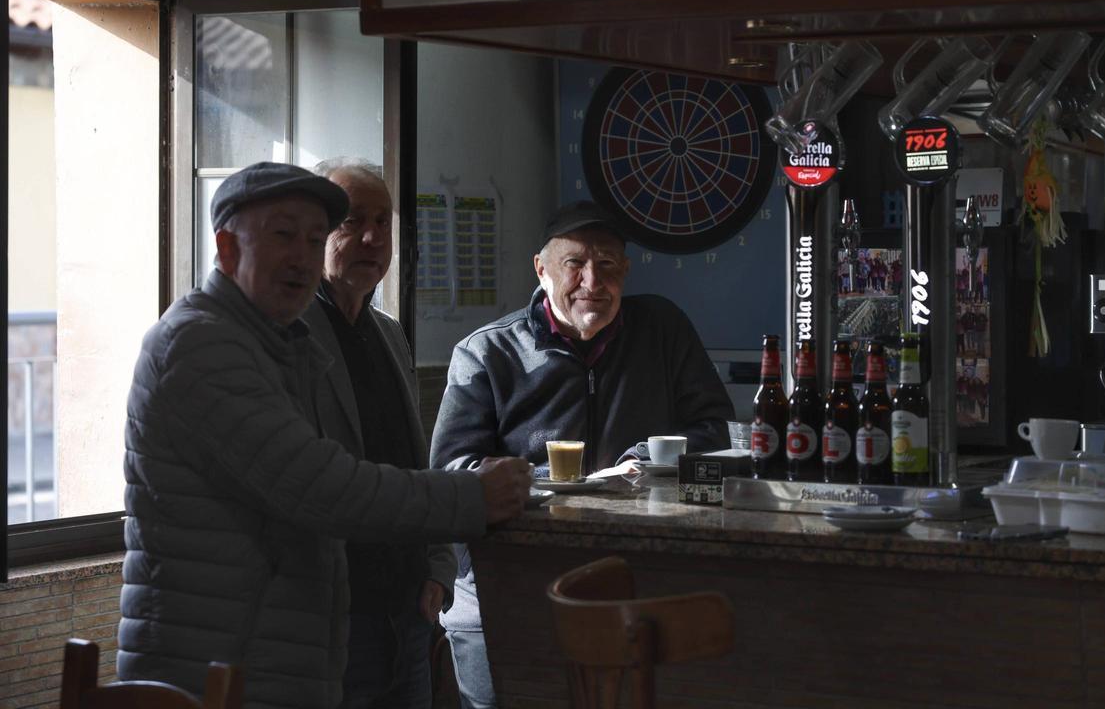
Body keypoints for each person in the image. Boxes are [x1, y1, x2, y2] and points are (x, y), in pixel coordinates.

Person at [119, 162, 532, 709]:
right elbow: (320, 485)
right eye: (283, 235)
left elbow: (406, 457)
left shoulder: (290, 340)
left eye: (315, 239)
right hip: (224, 660)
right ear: (225, 248)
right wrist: (473, 496)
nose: (303, 257)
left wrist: (433, 567)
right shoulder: (199, 342)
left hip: (347, 628)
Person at [430, 200, 734, 708]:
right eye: (575, 263)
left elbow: (715, 433)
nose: (593, 280)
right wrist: (560, 481)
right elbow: (449, 472)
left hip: (630, 581)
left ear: (626, 271)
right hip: (502, 590)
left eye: (608, 264)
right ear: (541, 269)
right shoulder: (487, 353)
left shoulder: (661, 329)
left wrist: (645, 459)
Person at [300, 157, 447, 708]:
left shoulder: (389, 334)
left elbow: (414, 463)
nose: (370, 236)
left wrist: (437, 568)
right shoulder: (287, 334)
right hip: (333, 614)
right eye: (351, 221)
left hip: (407, 605)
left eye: (382, 221)